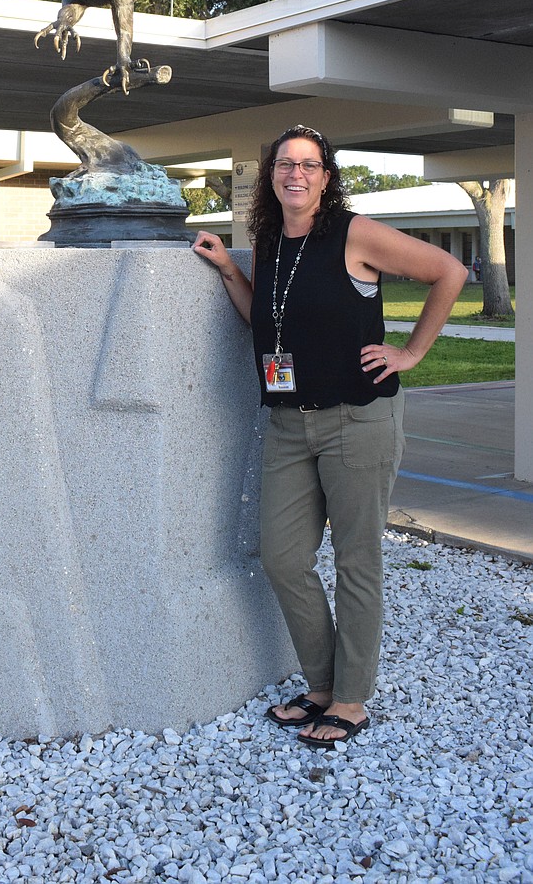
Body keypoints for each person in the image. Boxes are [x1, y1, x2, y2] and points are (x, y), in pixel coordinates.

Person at [193, 125, 467, 749]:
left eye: (309, 165)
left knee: (356, 560)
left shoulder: (354, 232)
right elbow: (264, 318)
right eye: (284, 164)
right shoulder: (267, 241)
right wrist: (226, 271)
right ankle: (320, 684)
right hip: (289, 423)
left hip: (356, 418)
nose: (296, 174)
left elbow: (448, 272)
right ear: (271, 175)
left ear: (325, 176)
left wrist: (412, 352)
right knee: (283, 556)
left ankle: (350, 698)